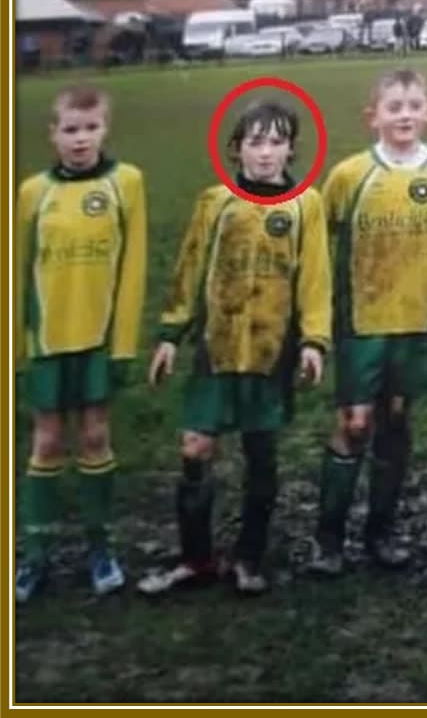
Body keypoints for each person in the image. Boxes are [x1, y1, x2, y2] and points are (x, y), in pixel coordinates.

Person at [139, 101, 331, 595]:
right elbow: (188, 270)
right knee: (195, 447)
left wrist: (314, 341)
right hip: (215, 350)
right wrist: (169, 334)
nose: (266, 153)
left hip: (271, 354)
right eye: (255, 142)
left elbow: (315, 280)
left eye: (276, 141)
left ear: (291, 148)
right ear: (237, 148)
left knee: (260, 454)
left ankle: (249, 557)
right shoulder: (214, 202)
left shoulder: (304, 204)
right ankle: (197, 559)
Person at [306, 70, 427, 576]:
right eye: (394, 107)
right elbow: (312, 242)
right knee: (355, 424)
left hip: (416, 322)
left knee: (396, 420)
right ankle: (327, 538)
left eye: (414, 105)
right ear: (373, 117)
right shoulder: (350, 176)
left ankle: (381, 530)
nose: (405, 115)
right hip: (361, 324)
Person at [14, 85, 147, 601]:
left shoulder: (126, 183)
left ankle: (100, 548)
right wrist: (18, 353)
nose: (80, 139)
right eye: (70, 129)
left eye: (90, 128)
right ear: (53, 133)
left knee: (94, 438)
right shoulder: (31, 193)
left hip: (97, 341)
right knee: (47, 442)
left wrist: (123, 346)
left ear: (105, 129)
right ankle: (34, 557)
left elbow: (133, 270)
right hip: (47, 342)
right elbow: (17, 275)